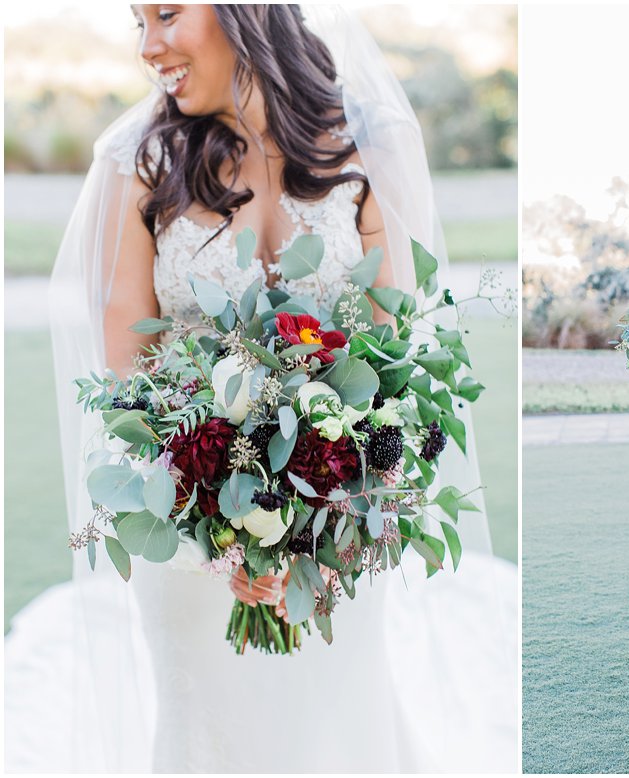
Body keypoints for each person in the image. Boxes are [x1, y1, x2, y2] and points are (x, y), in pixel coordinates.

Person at [22, 5, 517, 772]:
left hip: (337, 531)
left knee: (334, 722)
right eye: (135, 22)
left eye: (164, 12)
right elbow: (128, 376)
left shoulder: (365, 144)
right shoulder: (138, 160)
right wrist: (218, 538)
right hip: (186, 530)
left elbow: (392, 351)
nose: (148, 45)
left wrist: (325, 509)